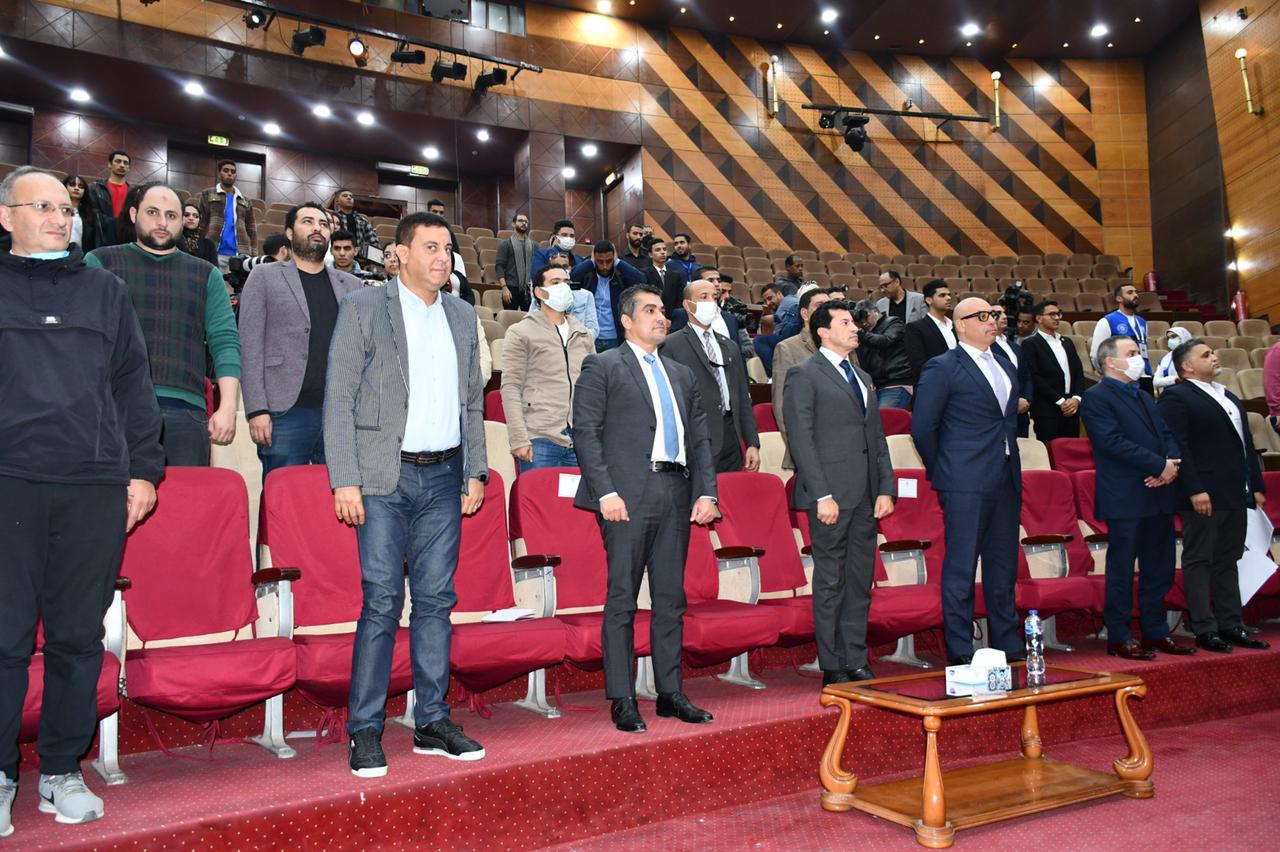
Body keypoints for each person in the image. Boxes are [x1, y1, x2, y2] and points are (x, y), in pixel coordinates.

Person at [0, 166, 162, 831]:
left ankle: (61, 770)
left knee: (76, 638)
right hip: (9, 481)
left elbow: (134, 386)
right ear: (6, 216)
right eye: (41, 206)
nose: (58, 218)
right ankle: (2, 774)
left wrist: (144, 472)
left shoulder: (105, 292)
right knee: (4, 637)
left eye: (65, 209)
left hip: (92, 485)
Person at [325, 211, 489, 778]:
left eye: (448, 248)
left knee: (437, 600)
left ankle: (432, 721)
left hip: (444, 477)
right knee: (381, 601)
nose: (443, 258)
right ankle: (365, 728)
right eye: (430, 247)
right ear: (399, 253)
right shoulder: (364, 308)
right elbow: (339, 396)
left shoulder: (463, 315)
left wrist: (476, 470)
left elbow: (473, 401)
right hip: (381, 478)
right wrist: (344, 478)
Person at [571, 284, 718, 734]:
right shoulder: (603, 365)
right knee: (623, 598)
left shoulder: (681, 373)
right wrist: (605, 492)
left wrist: (707, 492)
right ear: (626, 320)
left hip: (676, 490)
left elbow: (699, 438)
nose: (660, 317)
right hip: (627, 495)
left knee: (671, 599)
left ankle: (670, 692)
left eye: (662, 310)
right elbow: (586, 432)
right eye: (649, 310)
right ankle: (623, 697)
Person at [85, 183, 241, 467]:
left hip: (185, 411)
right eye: (153, 212)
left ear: (183, 222)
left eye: (171, 215)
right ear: (134, 214)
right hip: (112, 407)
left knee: (184, 496)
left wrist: (228, 407)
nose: (162, 222)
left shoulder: (206, 274)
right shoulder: (100, 263)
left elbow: (225, 341)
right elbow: (82, 341)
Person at [785, 301, 895, 685]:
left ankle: (856, 657)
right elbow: (801, 439)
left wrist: (886, 487)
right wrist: (821, 495)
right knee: (830, 581)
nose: (855, 328)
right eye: (845, 322)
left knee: (859, 581)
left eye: (854, 322)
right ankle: (832, 663)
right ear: (823, 331)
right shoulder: (804, 374)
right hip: (830, 496)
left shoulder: (862, 376)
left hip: (865, 496)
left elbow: (876, 438)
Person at [911, 297, 1023, 665]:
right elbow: (923, 427)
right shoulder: (942, 366)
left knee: (1003, 566)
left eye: (995, 315)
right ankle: (961, 650)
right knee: (961, 567)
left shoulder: (1005, 363)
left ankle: (1008, 644)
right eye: (983, 316)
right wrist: (944, 469)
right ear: (961, 324)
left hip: (1005, 476)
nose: (993, 321)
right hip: (963, 479)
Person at [1158, 340, 1269, 654]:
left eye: (1213, 352)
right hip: (1203, 492)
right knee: (1200, 559)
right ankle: (1204, 628)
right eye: (1206, 355)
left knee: (1228, 559)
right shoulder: (1176, 397)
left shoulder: (1227, 394)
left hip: (1235, 491)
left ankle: (1231, 624)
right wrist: (1194, 488)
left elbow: (1246, 444)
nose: (1214, 357)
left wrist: (1255, 484)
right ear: (1188, 366)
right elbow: (1177, 446)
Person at [1079, 336, 1186, 660]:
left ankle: (1155, 630)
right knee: (1122, 569)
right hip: (1125, 494)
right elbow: (1111, 442)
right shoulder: (1096, 397)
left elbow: (1166, 435)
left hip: (1158, 491)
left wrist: (1171, 465)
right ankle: (1119, 634)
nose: (1139, 358)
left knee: (1159, 567)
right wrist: (1158, 465)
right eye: (1132, 353)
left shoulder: (1144, 396)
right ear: (1111, 361)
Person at [239, 203, 362, 478]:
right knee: (282, 496)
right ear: (289, 233)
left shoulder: (352, 285)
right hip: (284, 412)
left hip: (339, 414)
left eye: (323, 224)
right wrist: (257, 409)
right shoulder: (264, 276)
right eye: (308, 221)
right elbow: (249, 345)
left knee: (337, 497)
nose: (317, 228)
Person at [661, 277, 760, 473]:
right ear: (688, 305)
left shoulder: (729, 345)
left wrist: (752, 443)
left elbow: (742, 397)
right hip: (695, 439)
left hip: (731, 436)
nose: (710, 302)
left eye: (714, 297)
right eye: (703, 297)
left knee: (731, 490)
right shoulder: (670, 346)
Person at [500, 265, 593, 471]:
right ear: (539, 292)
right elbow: (511, 386)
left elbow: (594, 387)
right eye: (555, 282)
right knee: (539, 493)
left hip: (580, 439)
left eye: (566, 282)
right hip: (539, 437)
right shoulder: (520, 332)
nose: (564, 287)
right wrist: (518, 438)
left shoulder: (583, 334)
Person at [773, 287, 833, 469]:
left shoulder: (844, 347)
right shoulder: (787, 348)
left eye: (829, 305)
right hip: (809, 452)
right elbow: (782, 406)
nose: (826, 310)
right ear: (805, 314)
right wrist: (801, 451)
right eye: (820, 305)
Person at [1022, 300, 1085, 442]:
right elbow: (1035, 377)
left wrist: (1076, 398)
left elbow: (1078, 372)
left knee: (1072, 448)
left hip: (1072, 407)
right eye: (1052, 314)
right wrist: (1060, 401)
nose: (1057, 318)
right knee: (1050, 449)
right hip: (1047, 409)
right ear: (1039, 318)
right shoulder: (1030, 343)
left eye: (1058, 314)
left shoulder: (1067, 342)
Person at [571, 240, 647, 353]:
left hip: (615, 337)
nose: (605, 266)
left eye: (609, 261)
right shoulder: (588, 274)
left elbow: (642, 280)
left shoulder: (619, 275)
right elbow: (571, 278)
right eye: (600, 262)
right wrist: (591, 262)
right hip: (592, 336)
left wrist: (618, 262)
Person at [195, 159, 257, 272]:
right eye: (226, 170)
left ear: (236, 175)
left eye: (233, 171)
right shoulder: (207, 194)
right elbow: (201, 224)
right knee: (214, 283)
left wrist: (253, 255)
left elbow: (252, 230)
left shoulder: (245, 200)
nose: (229, 174)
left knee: (238, 284)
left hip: (240, 254)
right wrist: (199, 248)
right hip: (214, 251)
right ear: (219, 174)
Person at [853, 299, 912, 409]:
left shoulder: (893, 322)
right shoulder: (865, 333)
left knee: (885, 417)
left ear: (875, 312)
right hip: (875, 386)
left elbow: (886, 340)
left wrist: (860, 333)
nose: (864, 322)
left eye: (866, 316)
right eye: (860, 318)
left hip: (895, 383)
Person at [1089, 283, 1151, 385]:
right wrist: (1105, 372)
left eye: (1136, 292)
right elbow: (1096, 353)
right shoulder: (1107, 321)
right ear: (1119, 298)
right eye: (1130, 293)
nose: (1135, 295)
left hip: (1144, 376)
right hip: (1120, 377)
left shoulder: (1142, 322)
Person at [669, 266, 742, 345]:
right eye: (710, 280)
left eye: (719, 281)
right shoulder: (682, 315)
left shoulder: (731, 319)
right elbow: (676, 345)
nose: (717, 284)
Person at [990, 305, 1032, 437]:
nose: (1004, 317)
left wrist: (1026, 399)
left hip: (1021, 412)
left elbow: (1027, 375)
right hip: (1001, 412)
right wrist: (1014, 402)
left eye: (1004, 313)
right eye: (998, 314)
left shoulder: (1014, 346)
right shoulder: (986, 347)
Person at [903, 279, 956, 383]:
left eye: (949, 295)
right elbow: (918, 365)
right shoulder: (915, 328)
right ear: (929, 300)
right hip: (935, 384)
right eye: (942, 295)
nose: (948, 298)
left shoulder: (956, 326)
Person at [542, 249, 598, 337]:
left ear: (570, 268)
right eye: (556, 267)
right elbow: (533, 325)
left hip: (579, 343)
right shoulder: (542, 294)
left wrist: (574, 341)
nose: (561, 270)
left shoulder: (586, 296)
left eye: (564, 266)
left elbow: (593, 330)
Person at [753, 282, 802, 376]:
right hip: (793, 337)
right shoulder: (785, 303)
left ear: (779, 293)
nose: (768, 303)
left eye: (770, 298)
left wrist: (772, 318)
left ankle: (772, 376)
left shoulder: (788, 301)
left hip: (794, 336)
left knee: (760, 340)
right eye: (765, 301)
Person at [85, 150, 130, 246]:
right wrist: (113, 223)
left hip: (127, 237)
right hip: (102, 236)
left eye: (125, 163)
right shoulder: (95, 188)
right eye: (118, 161)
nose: (122, 165)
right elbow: (92, 213)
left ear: (128, 168)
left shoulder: (134, 192)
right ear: (109, 164)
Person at [495, 212, 535, 310]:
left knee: (529, 318)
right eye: (520, 221)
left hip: (528, 289)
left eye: (526, 221)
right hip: (511, 287)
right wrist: (504, 288)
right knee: (510, 317)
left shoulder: (534, 245)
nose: (524, 223)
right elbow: (499, 267)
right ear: (513, 224)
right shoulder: (506, 244)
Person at [644, 237, 685, 314]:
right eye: (658, 250)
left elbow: (679, 300)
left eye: (664, 249)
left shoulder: (676, 275)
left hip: (673, 316)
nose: (662, 252)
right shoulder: (645, 273)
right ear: (650, 254)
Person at [330, 188, 379, 253]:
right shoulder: (332, 219)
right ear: (337, 201)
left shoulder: (362, 220)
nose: (349, 198)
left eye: (351, 196)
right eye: (345, 196)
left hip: (358, 255)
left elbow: (374, 242)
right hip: (337, 254)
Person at [62, 174, 99, 252]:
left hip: (80, 255)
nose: (76, 188)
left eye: (80, 186)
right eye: (72, 184)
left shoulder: (90, 214)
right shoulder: (55, 210)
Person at [178, 202, 218, 267]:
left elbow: (214, 269)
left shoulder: (208, 245)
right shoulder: (172, 240)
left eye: (196, 216)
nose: (191, 218)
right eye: (186, 215)